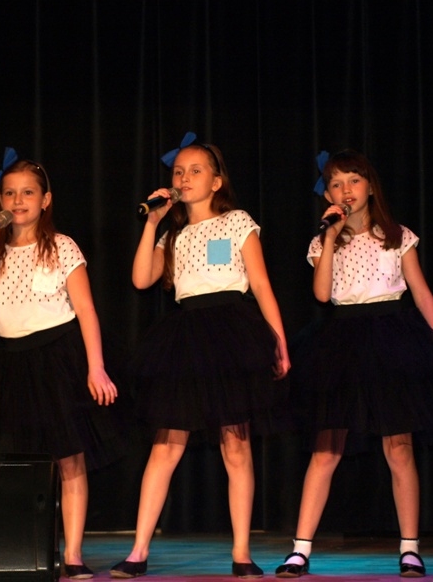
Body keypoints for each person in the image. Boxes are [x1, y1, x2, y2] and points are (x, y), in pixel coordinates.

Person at [110, 132, 290, 579]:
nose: (184, 178)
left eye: (195, 171)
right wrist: (153, 223)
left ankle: (242, 552)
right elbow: (141, 280)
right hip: (186, 337)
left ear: (216, 181)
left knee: (236, 444)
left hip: (230, 333)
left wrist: (278, 340)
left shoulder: (236, 222)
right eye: (178, 172)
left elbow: (261, 283)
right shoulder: (172, 233)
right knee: (166, 444)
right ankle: (138, 551)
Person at [0, 148, 121, 581]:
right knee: (17, 464)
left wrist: (96, 367)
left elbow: (86, 310)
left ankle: (74, 554)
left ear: (45, 199)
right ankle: (25, 549)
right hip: (9, 363)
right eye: (9, 193)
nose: (17, 201)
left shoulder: (61, 246)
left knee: (69, 459)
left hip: (56, 360)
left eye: (27, 192)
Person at [275, 149, 433, 579]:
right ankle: (300, 550)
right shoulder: (322, 241)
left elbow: (420, 292)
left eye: (354, 180)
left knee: (399, 446)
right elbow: (322, 294)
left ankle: (410, 548)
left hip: (391, 339)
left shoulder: (398, 235)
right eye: (336, 183)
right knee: (326, 448)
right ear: (327, 194)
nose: (346, 189)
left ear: (370, 187)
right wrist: (329, 237)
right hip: (341, 342)